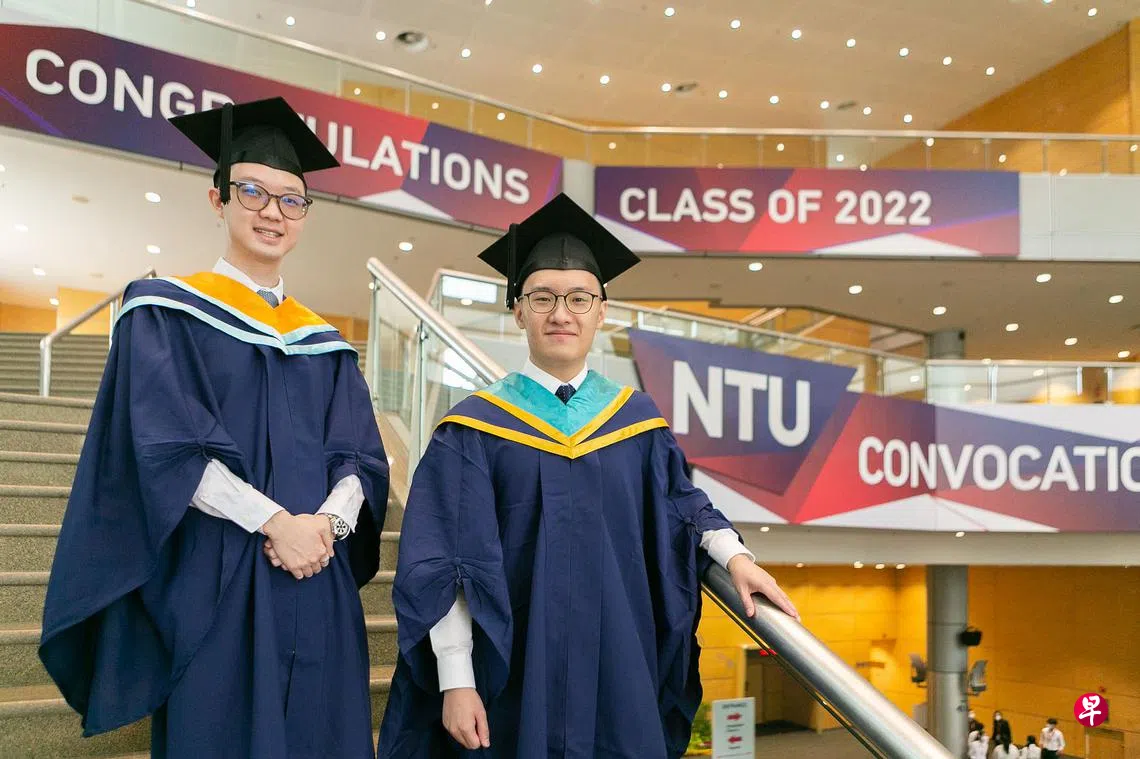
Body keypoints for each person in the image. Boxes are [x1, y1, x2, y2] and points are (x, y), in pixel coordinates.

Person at [376, 193, 799, 758]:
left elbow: (681, 506)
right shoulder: (473, 430)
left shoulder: (637, 423)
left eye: (579, 298)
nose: (561, 313)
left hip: (618, 669)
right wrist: (456, 681)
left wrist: (736, 558)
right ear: (518, 310)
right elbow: (445, 562)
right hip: (511, 678)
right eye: (543, 297)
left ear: (601, 312)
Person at [38, 97, 390, 758]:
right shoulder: (166, 314)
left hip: (318, 579)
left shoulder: (327, 346)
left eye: (291, 200)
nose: (272, 212)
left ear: (305, 215)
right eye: (252, 191)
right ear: (218, 199)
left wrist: (325, 527)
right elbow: (166, 448)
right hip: (218, 576)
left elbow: (360, 457)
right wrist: (276, 523)